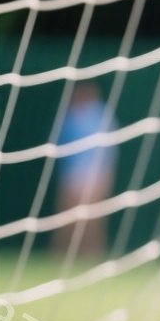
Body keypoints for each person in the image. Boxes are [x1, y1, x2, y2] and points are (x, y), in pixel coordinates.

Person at [53, 82, 119, 258]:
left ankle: (93, 255)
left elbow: (110, 150)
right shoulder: (69, 117)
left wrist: (105, 175)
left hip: (95, 175)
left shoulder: (101, 115)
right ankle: (62, 256)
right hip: (71, 176)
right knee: (67, 219)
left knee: (92, 220)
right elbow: (59, 147)